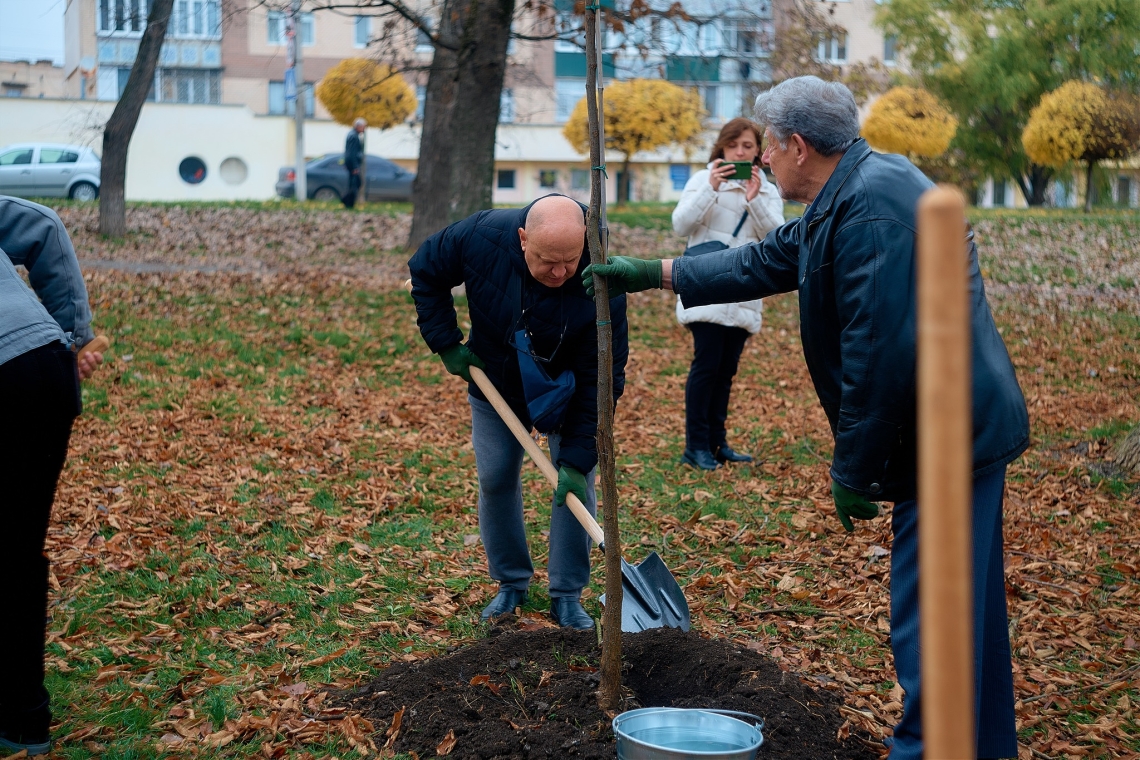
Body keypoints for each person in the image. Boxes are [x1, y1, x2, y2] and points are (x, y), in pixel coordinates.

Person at [583, 76, 1029, 760]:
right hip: (950, 429)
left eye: (766, 150)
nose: (760, 163)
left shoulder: (873, 208)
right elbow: (771, 258)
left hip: (945, 438)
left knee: (935, 616)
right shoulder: (853, 187)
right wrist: (658, 272)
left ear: (796, 146)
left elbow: (877, 357)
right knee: (963, 613)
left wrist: (852, 470)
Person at [408, 194, 628, 630]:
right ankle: (510, 583)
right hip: (497, 379)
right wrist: (447, 342)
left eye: (570, 260)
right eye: (548, 261)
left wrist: (578, 455)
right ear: (523, 238)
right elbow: (425, 270)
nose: (561, 272)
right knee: (495, 477)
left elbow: (603, 378)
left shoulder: (599, 276)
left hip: (567, 387)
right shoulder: (479, 235)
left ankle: (567, 594)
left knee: (575, 483)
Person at [0, 196, 104, 755]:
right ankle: (23, 721)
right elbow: (41, 224)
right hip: (38, 366)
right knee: (14, 553)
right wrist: (71, 340)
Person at [672, 117, 784, 470]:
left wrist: (754, 200)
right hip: (705, 286)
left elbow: (779, 238)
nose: (739, 152)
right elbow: (680, 226)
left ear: (757, 153)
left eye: (748, 146)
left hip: (745, 290)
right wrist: (711, 188)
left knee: (726, 371)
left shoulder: (764, 188)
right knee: (706, 368)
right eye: (733, 145)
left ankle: (717, 443)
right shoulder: (701, 180)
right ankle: (695, 446)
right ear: (722, 147)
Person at [343, 117, 366, 208]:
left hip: (351, 164)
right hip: (353, 165)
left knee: (354, 183)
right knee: (355, 184)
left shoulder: (351, 134)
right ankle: (347, 202)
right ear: (358, 126)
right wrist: (354, 167)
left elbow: (348, 151)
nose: (364, 129)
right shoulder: (354, 136)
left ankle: (348, 202)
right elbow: (352, 153)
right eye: (363, 126)